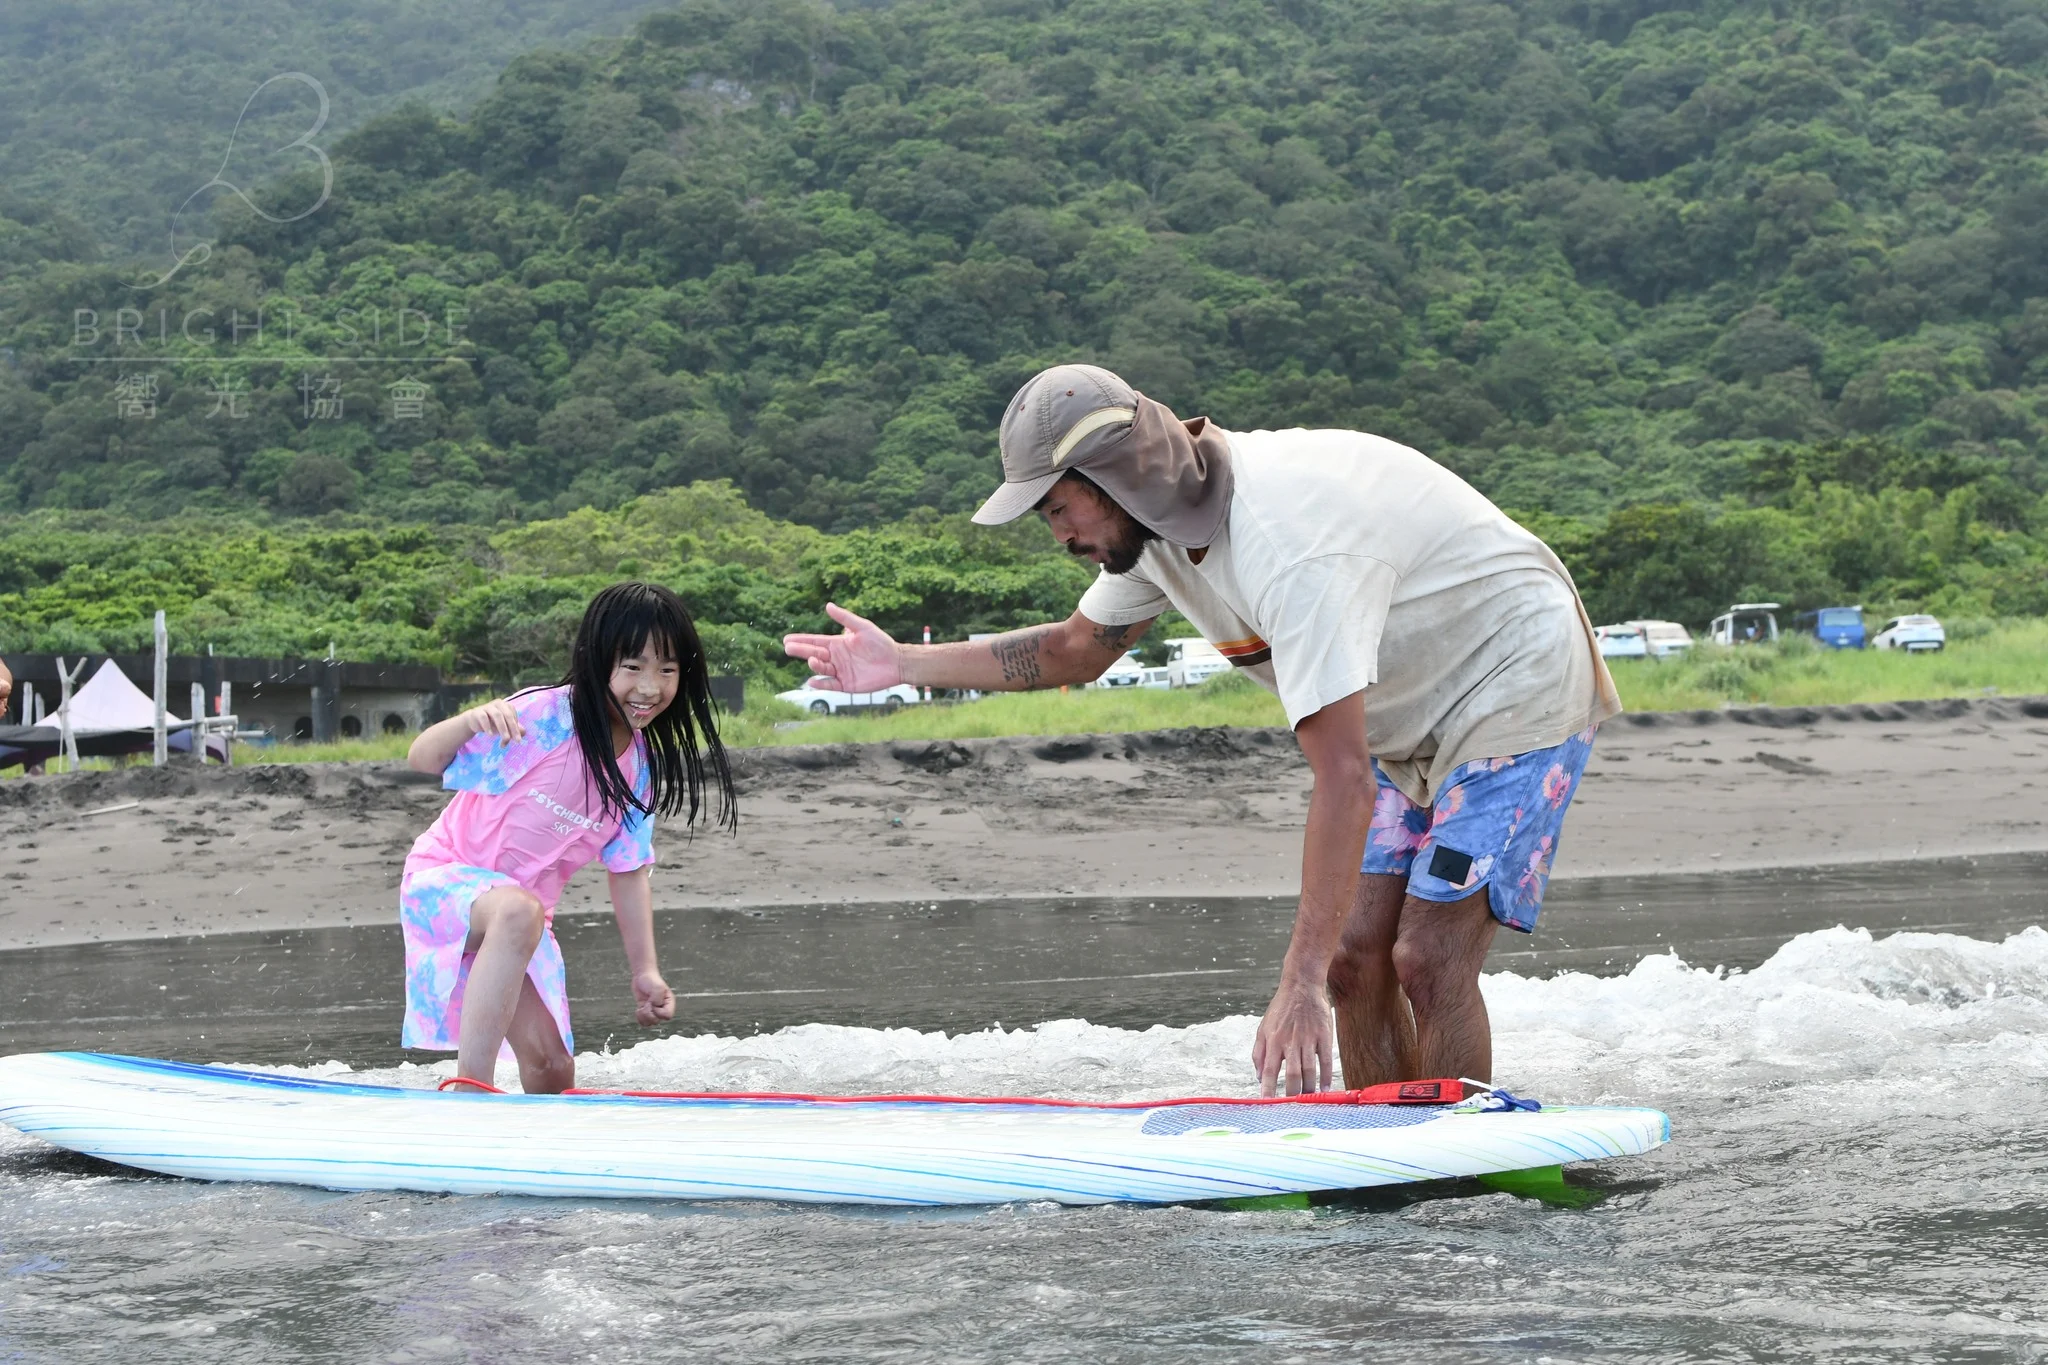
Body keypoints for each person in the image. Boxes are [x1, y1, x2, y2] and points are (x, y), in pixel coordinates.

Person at [784, 364, 1618, 1097]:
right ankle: (1394, 1164)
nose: (1060, 535)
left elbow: (1344, 779)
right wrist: (901, 667)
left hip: (1516, 679)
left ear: (1116, 475)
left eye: (1059, 508)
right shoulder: (1155, 533)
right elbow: (1077, 651)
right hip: (1414, 720)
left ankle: (1466, 1168)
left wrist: (1292, 988)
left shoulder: (1289, 544)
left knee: (1428, 957)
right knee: (1354, 960)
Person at [402, 582, 737, 1093]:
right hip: (443, 884)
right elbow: (422, 759)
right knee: (518, 909)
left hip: (522, 924)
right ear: (598, 660)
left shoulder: (639, 771)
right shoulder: (543, 718)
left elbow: (627, 871)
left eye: (666, 671)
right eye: (633, 667)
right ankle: (470, 1093)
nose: (649, 687)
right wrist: (469, 720)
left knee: (552, 1072)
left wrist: (645, 971)